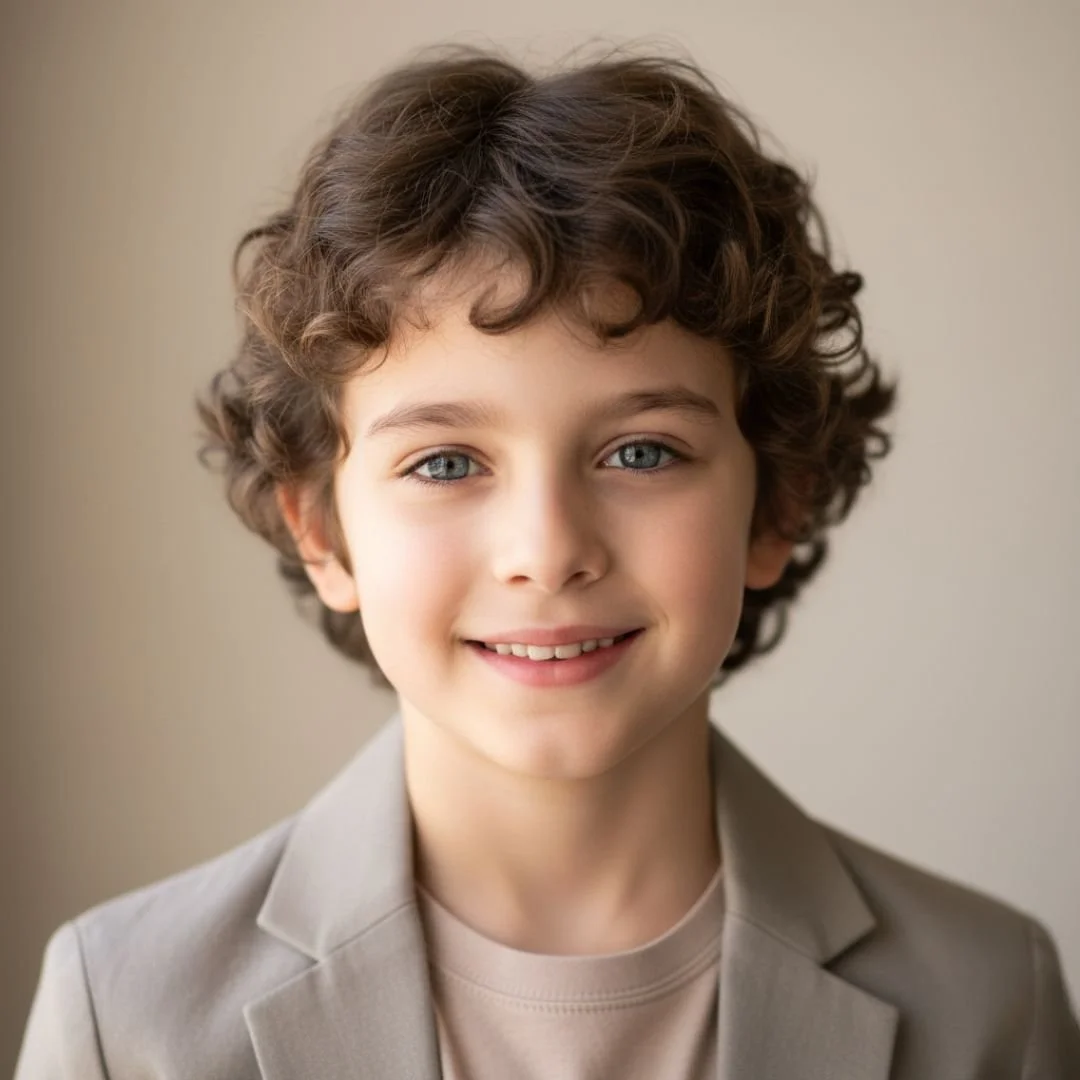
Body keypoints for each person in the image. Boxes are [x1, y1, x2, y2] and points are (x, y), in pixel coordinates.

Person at [15, 43, 1079, 1079]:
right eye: (444, 463)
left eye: (642, 451)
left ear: (777, 502)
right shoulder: (129, 1016)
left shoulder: (990, 1001)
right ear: (323, 532)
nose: (548, 550)